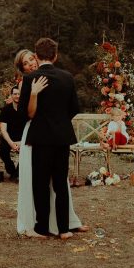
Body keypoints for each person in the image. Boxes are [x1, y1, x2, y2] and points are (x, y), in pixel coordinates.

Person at [18, 38, 83, 240]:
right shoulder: (67, 77)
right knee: (60, 183)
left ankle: (42, 227)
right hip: (62, 137)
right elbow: (74, 109)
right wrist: (60, 121)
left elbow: (23, 114)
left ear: (36, 56)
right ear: (55, 56)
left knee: (41, 183)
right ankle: (64, 229)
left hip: (40, 138)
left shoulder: (30, 79)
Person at [0, 86, 22, 180]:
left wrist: (22, 142)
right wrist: (11, 143)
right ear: (11, 95)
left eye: (19, 94)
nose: (17, 96)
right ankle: (11, 170)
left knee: (29, 150)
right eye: (15, 94)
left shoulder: (27, 109)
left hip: (23, 138)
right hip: (8, 137)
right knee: (2, 150)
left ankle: (19, 172)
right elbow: (3, 130)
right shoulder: (6, 109)